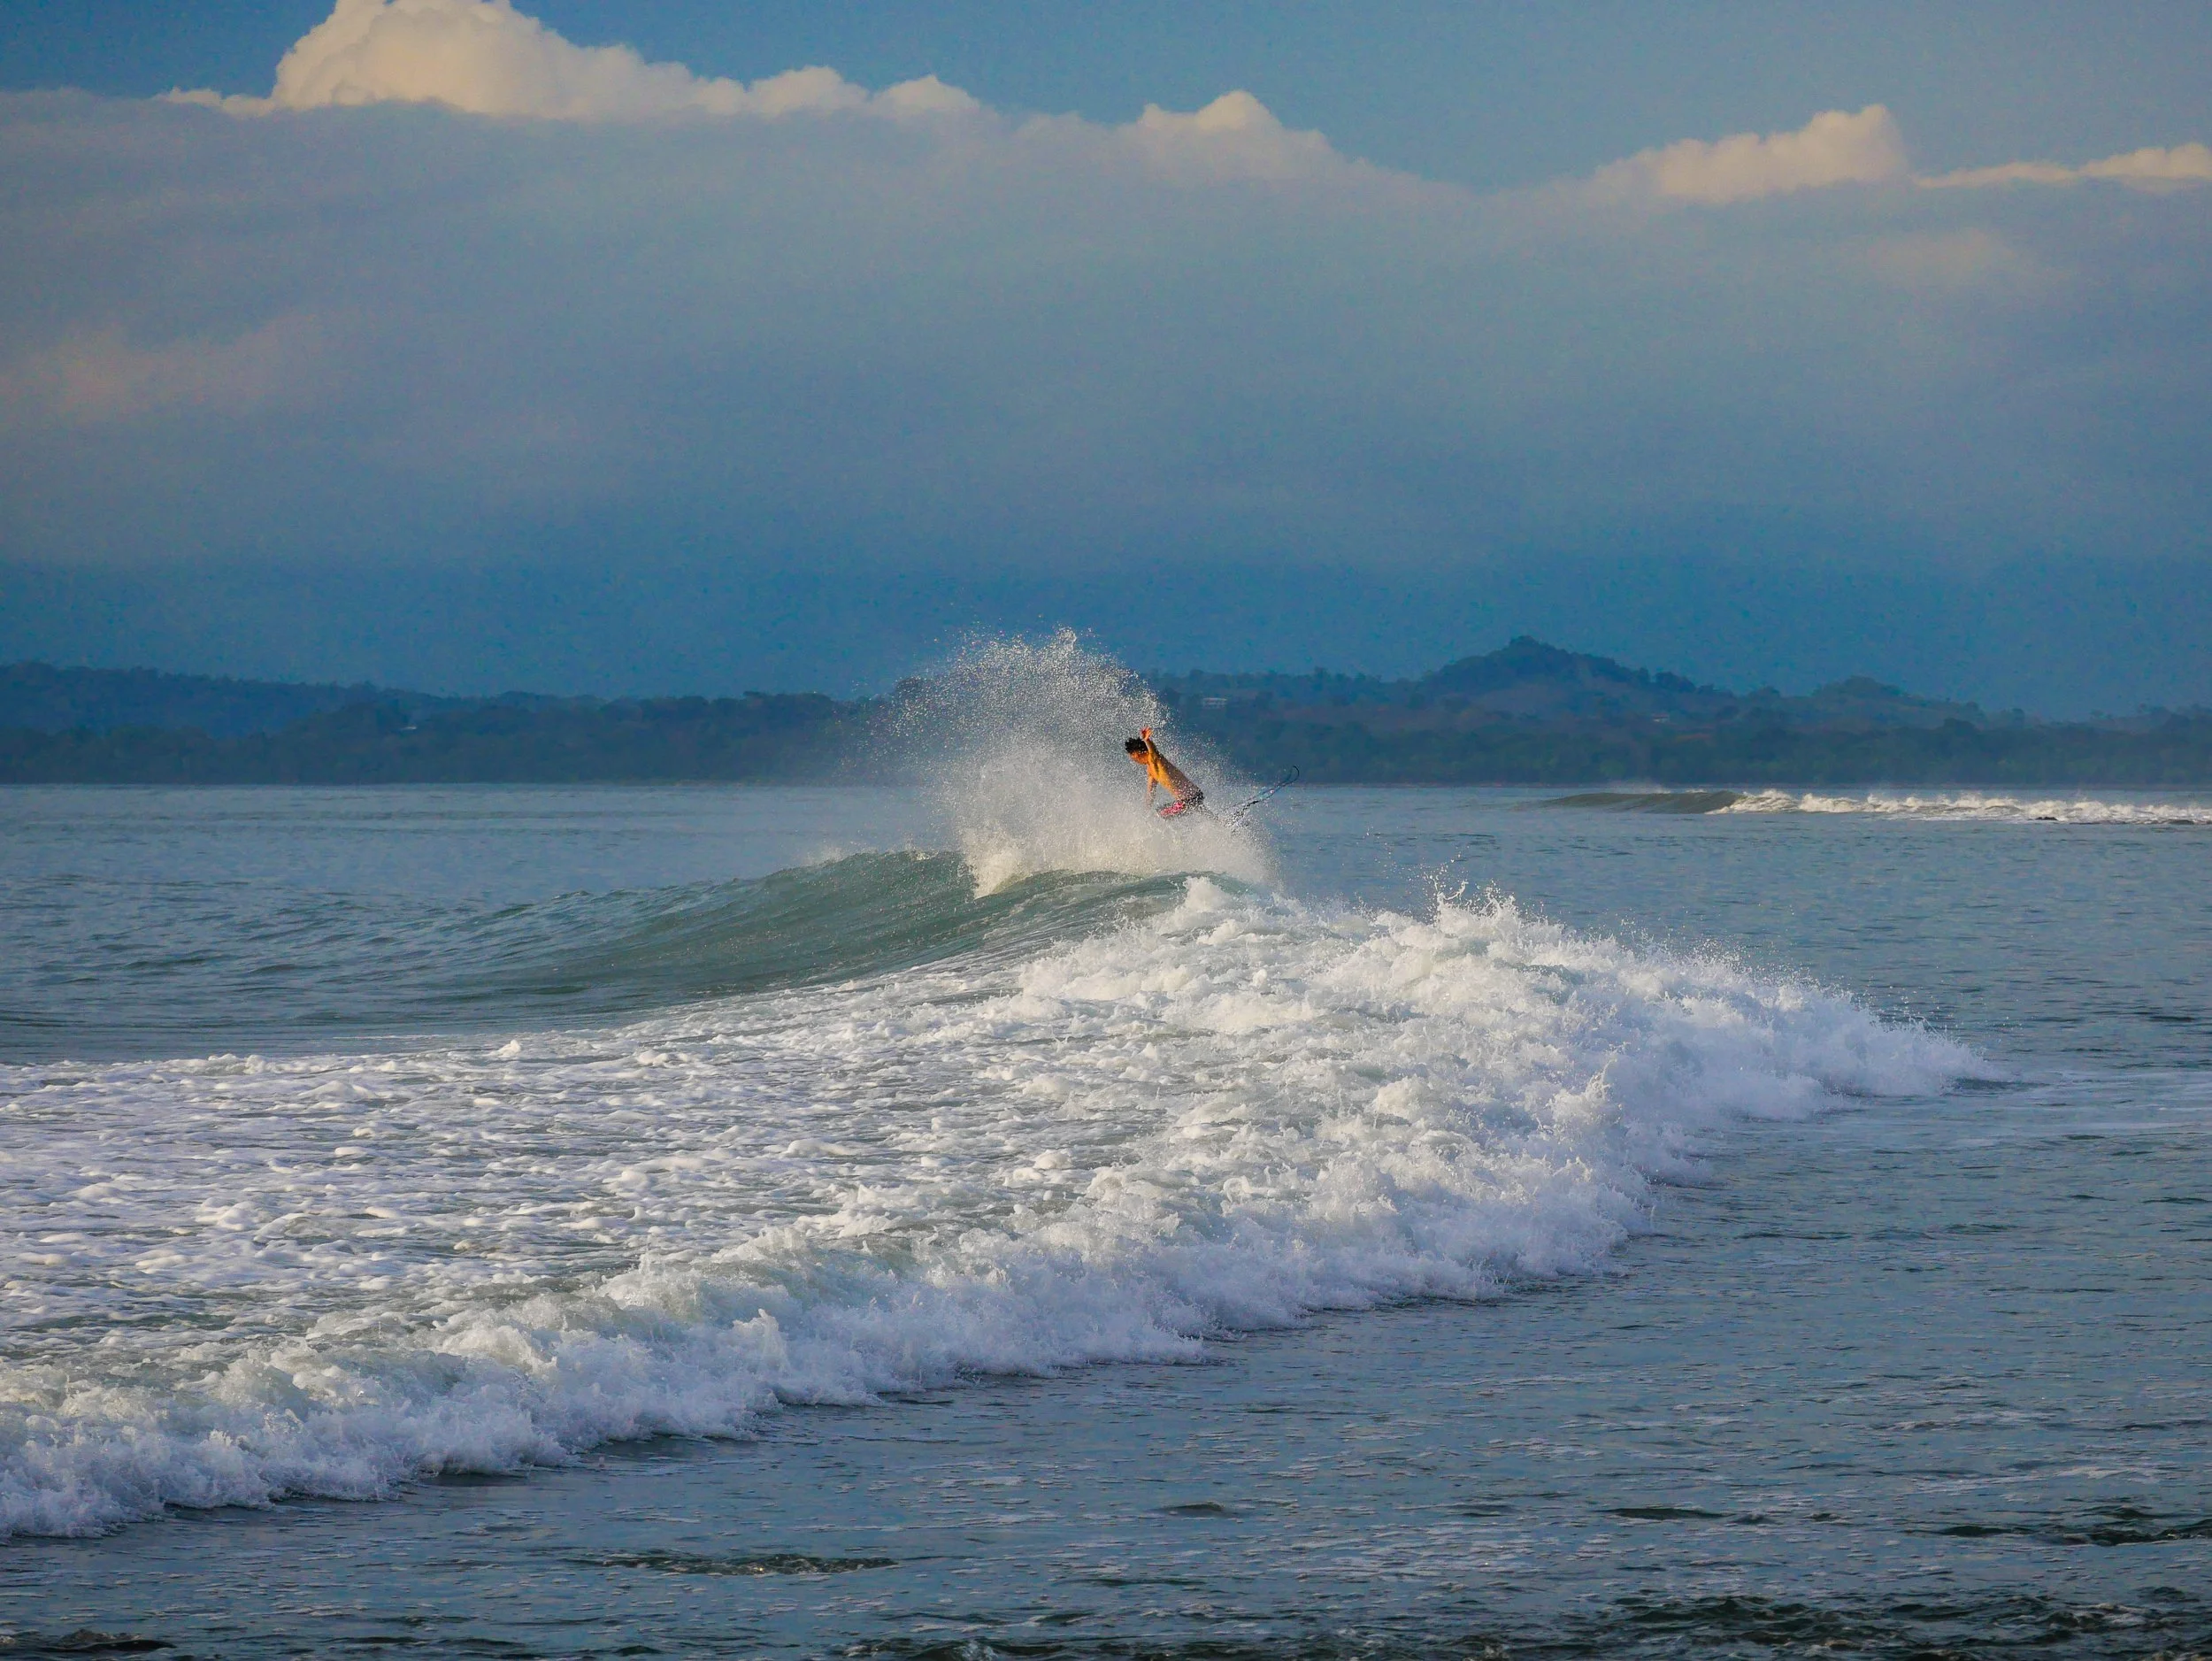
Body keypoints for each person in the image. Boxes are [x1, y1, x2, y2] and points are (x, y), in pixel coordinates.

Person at [1125, 727, 1204, 817]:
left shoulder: (1154, 760)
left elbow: (1154, 752)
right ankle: (1220, 824)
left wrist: (1147, 741)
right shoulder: (1151, 770)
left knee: (1157, 817)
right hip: (1194, 796)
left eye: (1133, 758)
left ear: (1136, 754)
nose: (1134, 761)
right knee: (1206, 815)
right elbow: (1150, 793)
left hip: (1187, 800)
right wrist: (1145, 812)